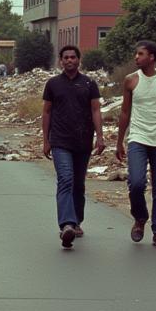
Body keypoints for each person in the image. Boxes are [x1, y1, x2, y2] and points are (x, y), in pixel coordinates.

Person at [115, 40, 156, 248]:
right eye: (136, 54)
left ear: (151, 57)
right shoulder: (131, 81)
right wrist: (119, 142)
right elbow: (125, 112)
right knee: (136, 183)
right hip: (137, 138)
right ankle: (140, 217)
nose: (136, 57)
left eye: (140, 54)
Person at [42, 44, 105, 248]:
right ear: (61, 61)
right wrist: (46, 140)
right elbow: (47, 112)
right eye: (66, 57)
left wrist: (101, 137)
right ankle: (66, 225)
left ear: (79, 60)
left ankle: (76, 220)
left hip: (83, 141)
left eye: (73, 57)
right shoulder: (53, 84)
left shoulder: (88, 84)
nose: (69, 60)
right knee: (66, 180)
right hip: (60, 141)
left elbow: (95, 110)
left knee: (78, 184)